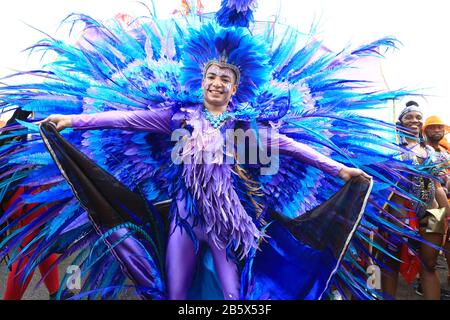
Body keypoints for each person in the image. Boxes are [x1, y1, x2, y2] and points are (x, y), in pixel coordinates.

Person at [0, 1, 417, 300]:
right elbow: (121, 118)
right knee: (175, 291)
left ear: (236, 88)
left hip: (226, 224)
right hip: (182, 218)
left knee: (235, 296)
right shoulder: (175, 117)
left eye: (224, 79)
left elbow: (294, 148)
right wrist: (70, 122)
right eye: (211, 76)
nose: (216, 82)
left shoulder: (248, 129)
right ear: (202, 80)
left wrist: (342, 171)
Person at [380, 101, 450, 300]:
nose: (414, 120)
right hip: (399, 214)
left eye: (418, 117)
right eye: (409, 117)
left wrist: (447, 214)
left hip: (433, 214)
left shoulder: (434, 154)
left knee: (429, 265)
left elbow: (437, 187)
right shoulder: (391, 151)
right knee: (390, 262)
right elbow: (382, 186)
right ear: (399, 123)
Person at [423, 115, 450, 292]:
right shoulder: (422, 151)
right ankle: (421, 280)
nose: (437, 130)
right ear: (425, 131)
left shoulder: (446, 152)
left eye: (440, 127)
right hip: (433, 209)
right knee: (429, 255)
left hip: (447, 204)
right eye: (433, 127)